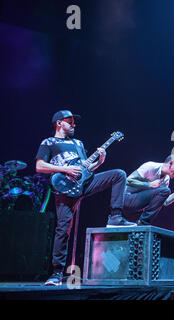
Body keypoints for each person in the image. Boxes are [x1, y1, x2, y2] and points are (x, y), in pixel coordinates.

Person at [35, 110, 135, 286]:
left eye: (74, 122)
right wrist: (64, 169)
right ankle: (57, 273)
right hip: (64, 188)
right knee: (63, 229)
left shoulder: (78, 143)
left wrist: (99, 162)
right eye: (70, 121)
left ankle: (115, 217)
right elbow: (40, 166)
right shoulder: (49, 142)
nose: (74, 125)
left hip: (85, 184)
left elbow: (85, 170)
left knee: (119, 175)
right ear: (59, 123)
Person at [123, 155, 174, 225]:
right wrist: (149, 185)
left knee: (165, 191)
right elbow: (128, 181)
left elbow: (165, 202)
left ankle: (141, 223)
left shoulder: (166, 179)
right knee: (165, 191)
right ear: (170, 163)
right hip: (125, 198)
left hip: (136, 206)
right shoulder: (151, 166)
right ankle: (143, 223)